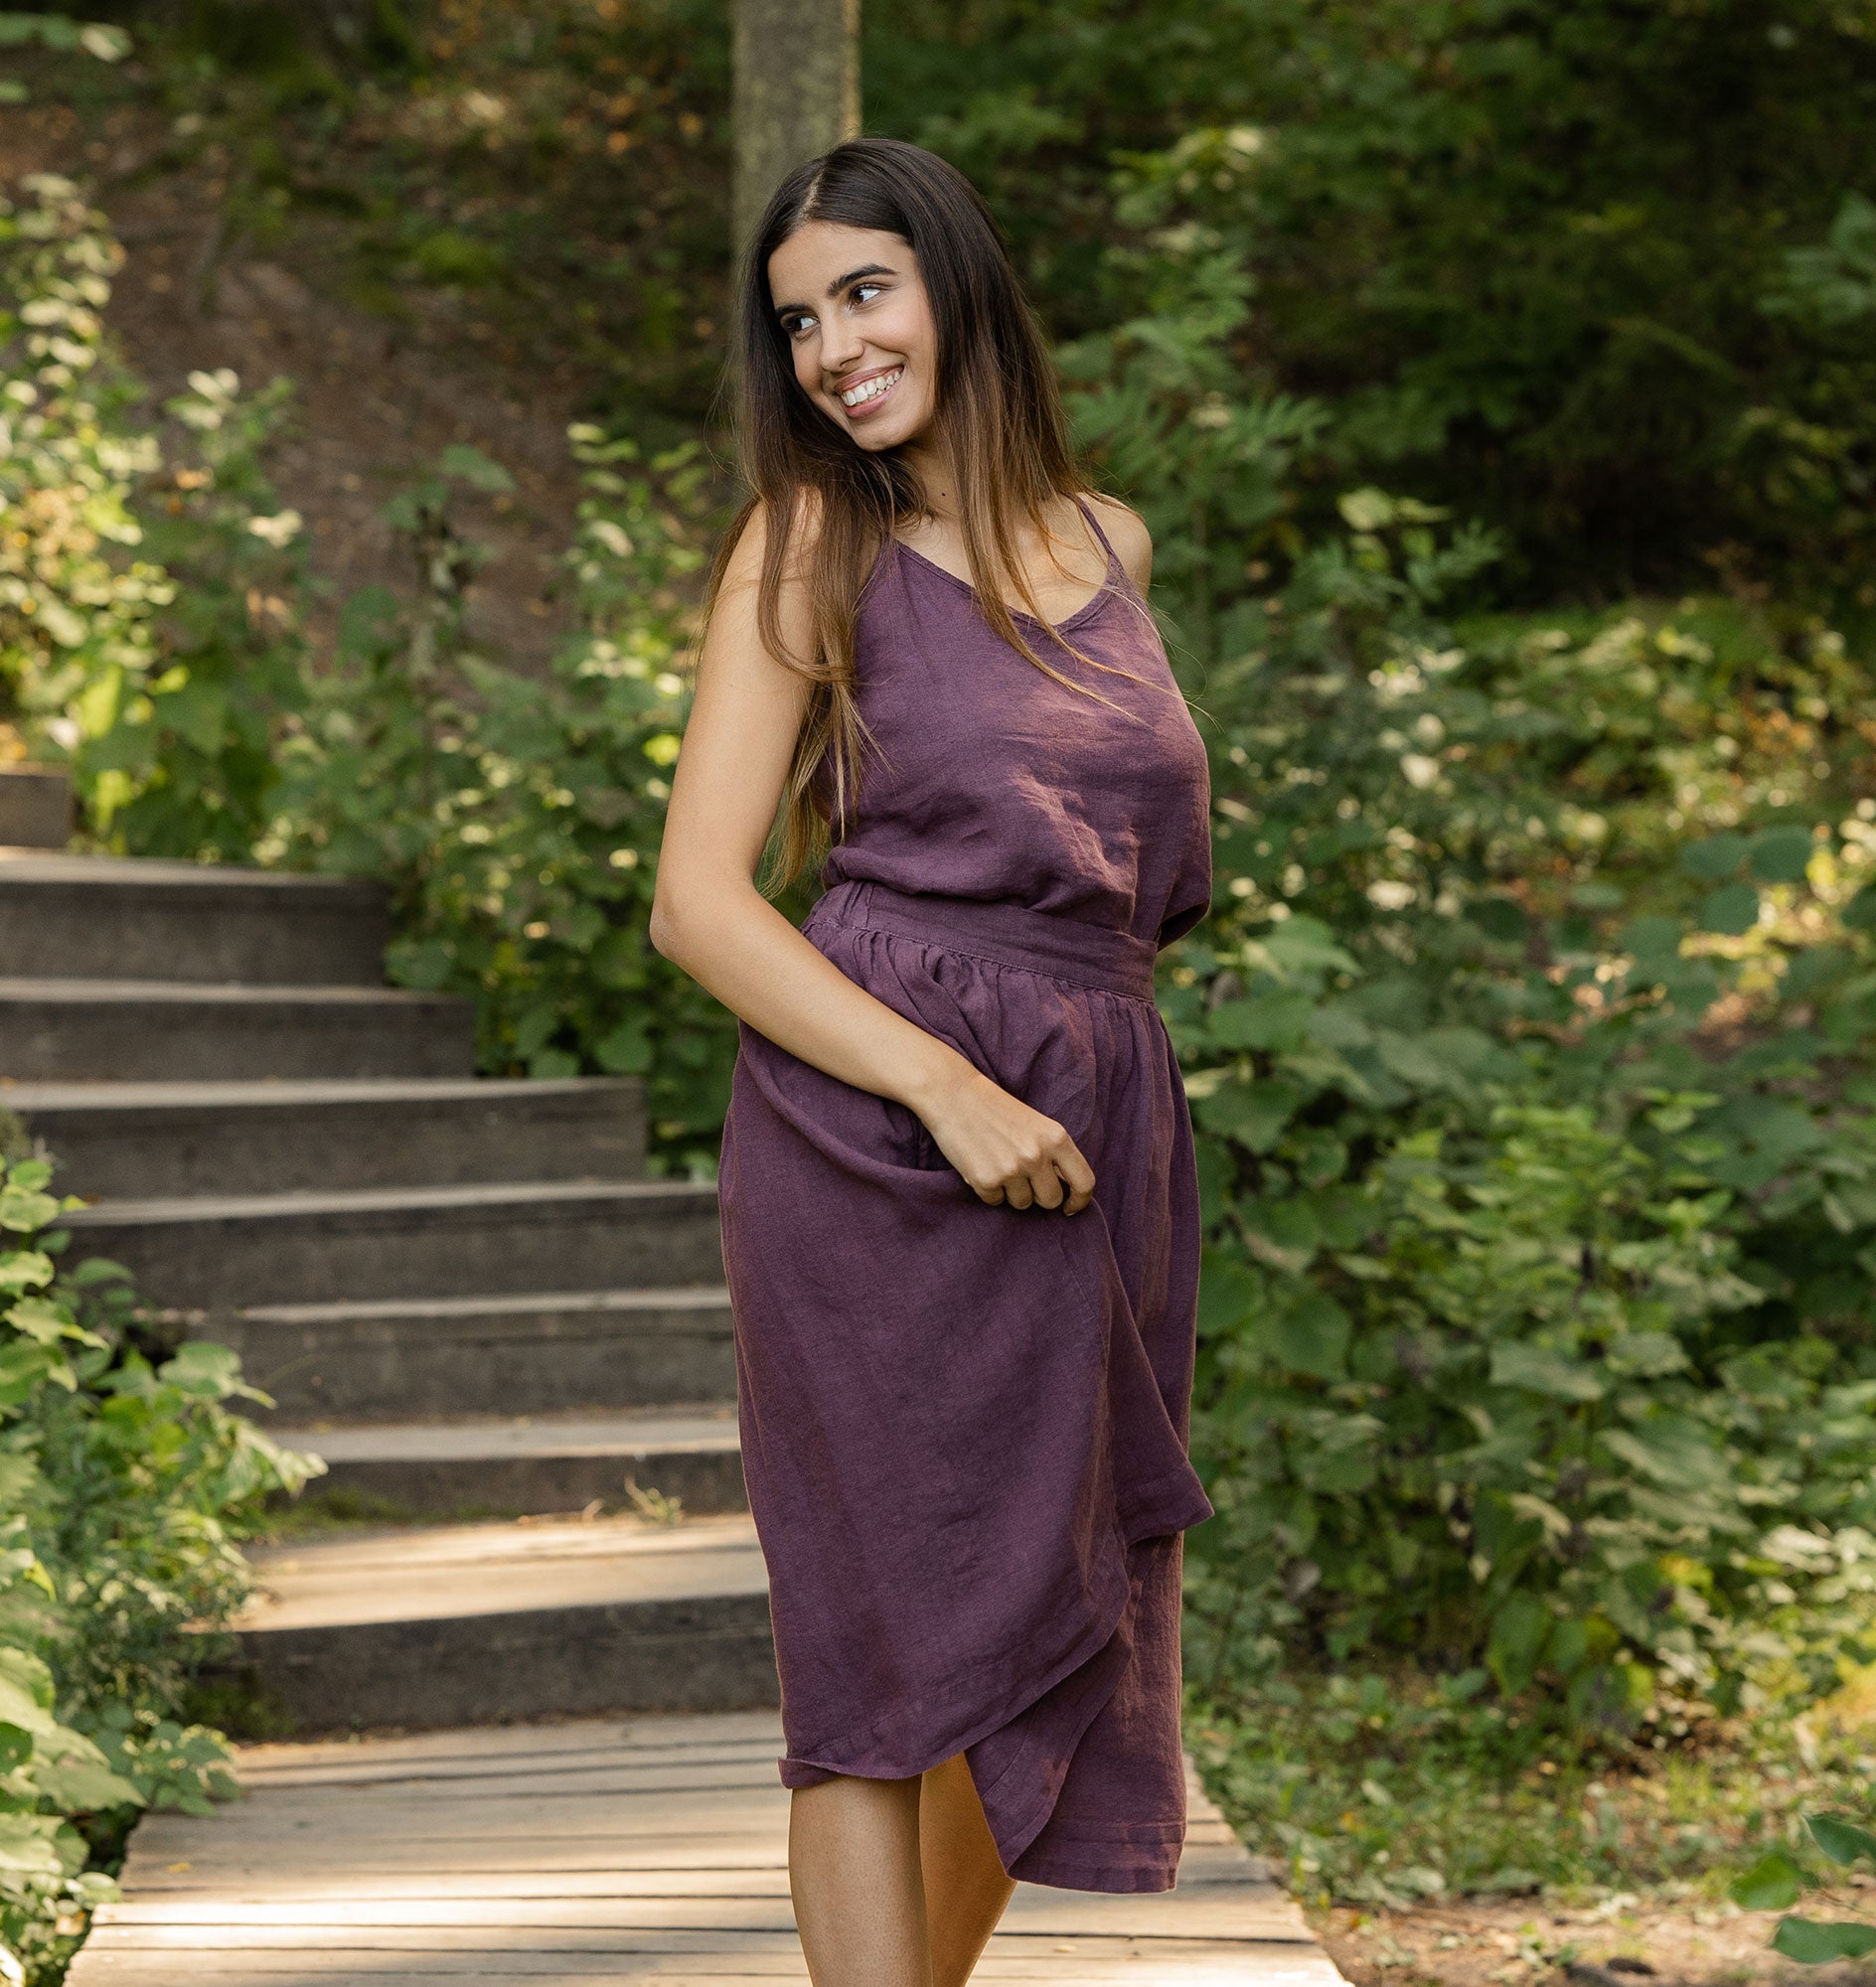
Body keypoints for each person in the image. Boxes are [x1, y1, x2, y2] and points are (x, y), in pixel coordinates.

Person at [651, 135, 1214, 1987]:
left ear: (955, 283)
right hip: (877, 1138)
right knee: (877, 1664)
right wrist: (949, 1090)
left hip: (1096, 1133)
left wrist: (1052, 1081)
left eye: (863, 293)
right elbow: (698, 904)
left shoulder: (1109, 542)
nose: (830, 349)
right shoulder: (809, 544)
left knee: (1052, 1626)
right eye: (797, 321)